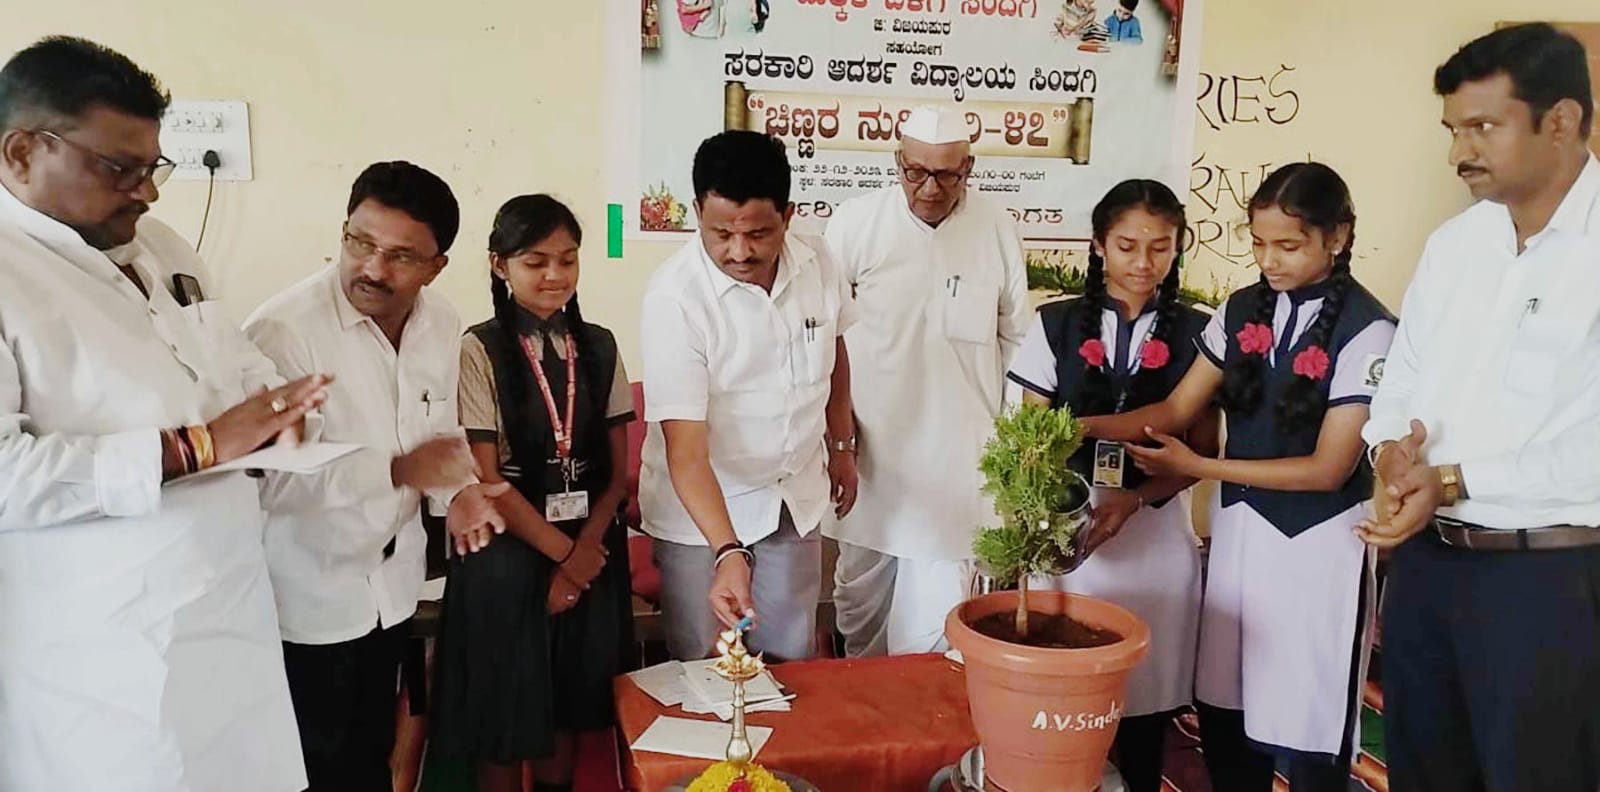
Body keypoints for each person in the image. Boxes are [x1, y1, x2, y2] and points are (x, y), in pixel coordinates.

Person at [0, 36, 330, 792]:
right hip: (104, 668)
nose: (147, 193)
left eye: (155, 168)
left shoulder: (159, 245)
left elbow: (232, 362)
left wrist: (280, 411)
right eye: (120, 169)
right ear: (22, 152)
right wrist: (200, 445)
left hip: (228, 623)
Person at [1082, 162, 1395, 791]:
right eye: (1258, 243)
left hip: (1318, 545)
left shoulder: (1370, 329)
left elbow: (1329, 468)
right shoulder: (1242, 308)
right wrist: (1073, 426)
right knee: (1227, 713)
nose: (1268, 260)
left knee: (1307, 723)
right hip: (1239, 537)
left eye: (1288, 245)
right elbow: (1177, 409)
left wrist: (1197, 467)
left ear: (1338, 236)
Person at [1357, 23, 1600, 791]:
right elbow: (1401, 378)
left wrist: (1453, 479)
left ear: (1560, 121)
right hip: (1429, 568)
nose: (1459, 152)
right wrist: (1390, 452)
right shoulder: (1455, 245)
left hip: (1551, 581)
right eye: (1452, 130)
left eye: (1483, 127)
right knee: (1425, 773)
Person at [244, 161, 506, 792]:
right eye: (359, 243)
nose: (373, 268)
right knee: (316, 767)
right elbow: (270, 479)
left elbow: (437, 430)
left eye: (401, 256)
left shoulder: (440, 322)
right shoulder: (283, 331)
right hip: (311, 594)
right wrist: (395, 470)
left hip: (392, 586)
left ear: (436, 266)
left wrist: (461, 492)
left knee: (373, 754)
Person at [1005, 179, 1213, 792]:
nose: (1143, 263)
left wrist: (1137, 499)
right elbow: (1027, 439)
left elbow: (1204, 452)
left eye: (1160, 247)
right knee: (1066, 703)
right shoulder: (1056, 324)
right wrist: (1044, 521)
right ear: (1097, 245)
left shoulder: (1200, 332)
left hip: (1156, 532)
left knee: (1145, 709)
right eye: (1126, 246)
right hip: (1070, 534)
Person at [430, 194, 637, 792]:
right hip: (507, 549)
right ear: (500, 265)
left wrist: (583, 554)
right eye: (535, 261)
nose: (554, 275)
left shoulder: (600, 345)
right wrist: (564, 558)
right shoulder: (479, 348)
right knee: (503, 712)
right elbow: (487, 477)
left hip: (590, 542)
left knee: (570, 706)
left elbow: (617, 470)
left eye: (567, 260)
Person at [639, 130, 857, 662]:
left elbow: (835, 350)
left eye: (758, 234)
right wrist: (727, 550)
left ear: (788, 215)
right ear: (697, 212)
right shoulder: (675, 298)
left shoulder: (817, 258)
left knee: (789, 665)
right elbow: (686, 451)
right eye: (721, 234)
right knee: (708, 669)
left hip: (792, 498)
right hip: (702, 519)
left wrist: (842, 446)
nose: (739, 252)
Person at [822, 104, 1028, 657]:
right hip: (872, 452)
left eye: (946, 174)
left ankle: (925, 712)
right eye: (915, 172)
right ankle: (865, 706)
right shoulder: (856, 223)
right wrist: (837, 438)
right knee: (859, 605)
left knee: (936, 622)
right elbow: (824, 335)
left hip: (961, 460)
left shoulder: (996, 227)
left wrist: (1012, 448)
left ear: (969, 167)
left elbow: (1015, 340)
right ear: (897, 161)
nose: (930, 188)